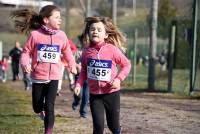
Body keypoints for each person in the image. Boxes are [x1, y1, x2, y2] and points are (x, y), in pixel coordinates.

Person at [11, 5, 77, 134]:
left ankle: (48, 131)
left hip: (54, 76)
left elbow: (67, 51)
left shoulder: (62, 36)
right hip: (38, 76)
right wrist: (25, 64)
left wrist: (72, 64)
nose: (60, 20)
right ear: (46, 20)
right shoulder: (35, 35)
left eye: (60, 18)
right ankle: (39, 111)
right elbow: (25, 52)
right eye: (57, 17)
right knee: (37, 106)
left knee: (49, 106)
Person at [74, 17, 131, 134]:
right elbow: (84, 71)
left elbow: (126, 64)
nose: (95, 31)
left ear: (105, 35)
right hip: (95, 95)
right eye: (92, 29)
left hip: (111, 93)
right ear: (88, 33)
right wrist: (78, 84)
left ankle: (117, 130)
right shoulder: (87, 52)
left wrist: (118, 79)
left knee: (113, 126)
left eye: (99, 30)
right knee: (98, 127)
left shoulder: (112, 50)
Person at [72, 35, 89, 118]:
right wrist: (76, 65)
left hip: (89, 78)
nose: (86, 42)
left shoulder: (92, 51)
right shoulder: (78, 52)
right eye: (85, 40)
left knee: (86, 96)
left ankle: (83, 113)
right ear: (82, 42)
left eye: (88, 40)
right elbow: (72, 62)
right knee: (79, 94)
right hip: (79, 76)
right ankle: (76, 102)